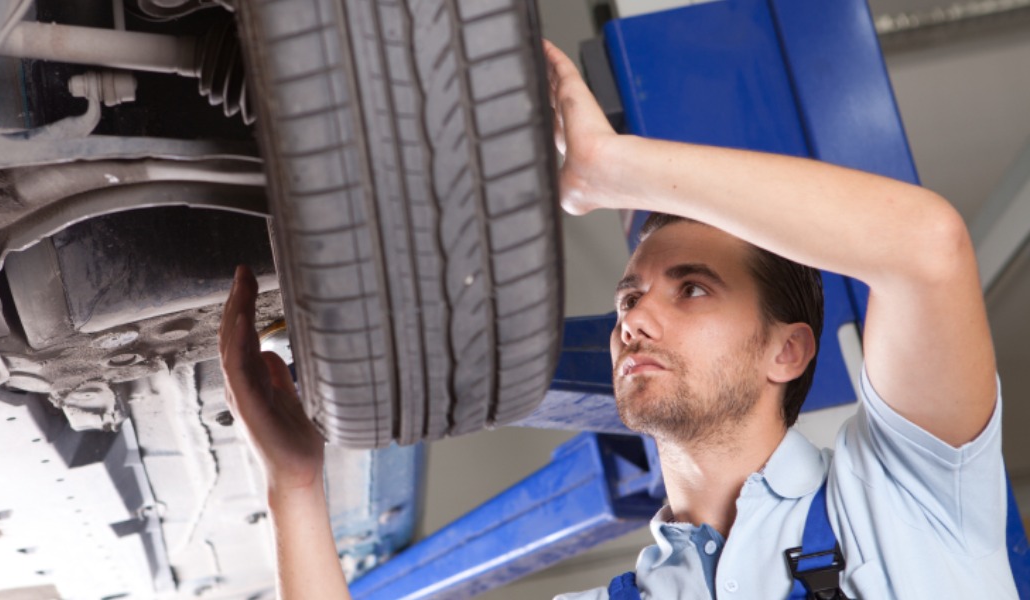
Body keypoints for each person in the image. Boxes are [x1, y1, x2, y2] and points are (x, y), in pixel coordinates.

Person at [217, 39, 1016, 599]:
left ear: (788, 350)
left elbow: (926, 247)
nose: (635, 315)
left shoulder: (911, 494)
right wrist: (293, 486)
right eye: (630, 296)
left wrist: (616, 170)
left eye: (692, 288)